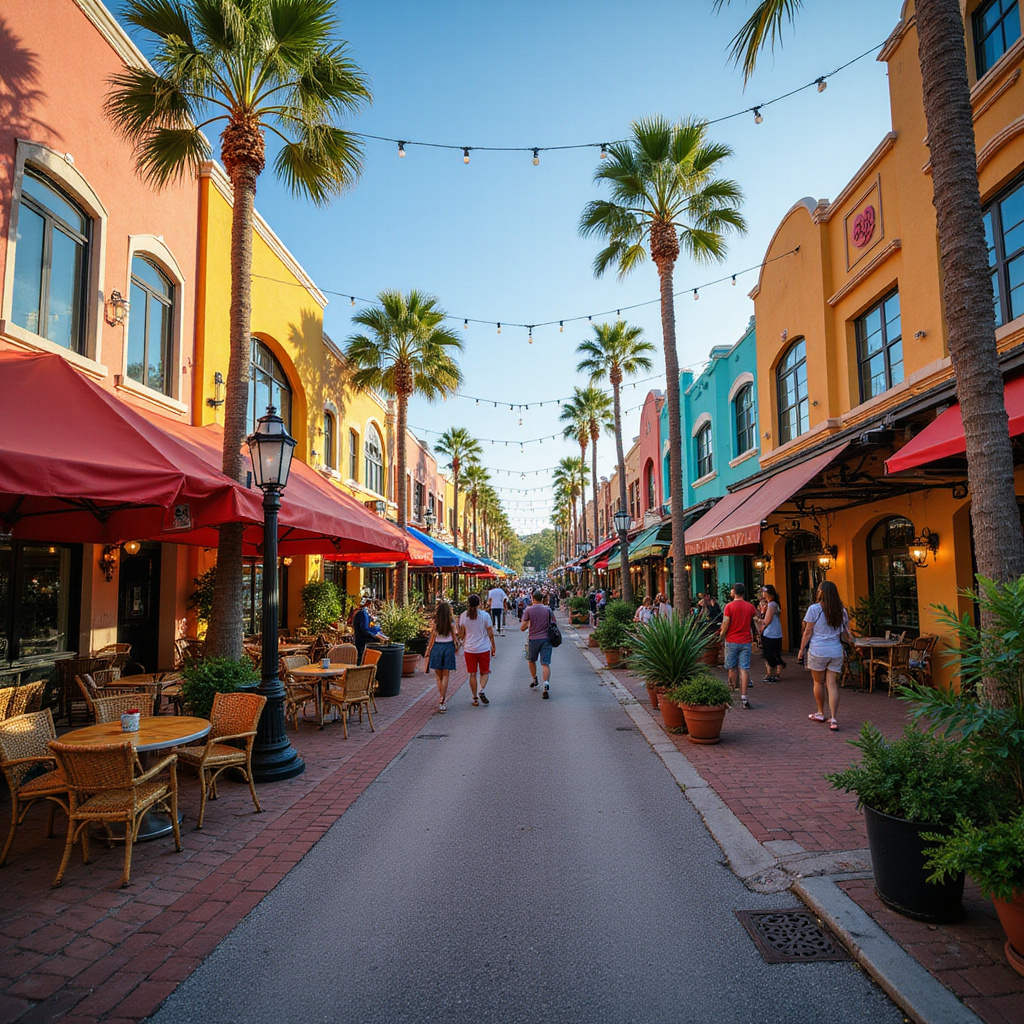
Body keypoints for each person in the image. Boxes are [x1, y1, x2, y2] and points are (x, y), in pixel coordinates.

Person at [798, 579, 851, 732]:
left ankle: (821, 712)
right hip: (835, 650)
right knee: (832, 684)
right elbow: (846, 633)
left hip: (818, 650)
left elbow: (808, 631)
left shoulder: (814, 609)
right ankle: (833, 718)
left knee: (818, 682)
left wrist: (802, 649)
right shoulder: (841, 610)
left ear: (821, 592)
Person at [719, 582, 759, 710]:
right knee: (744, 668)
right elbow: (757, 620)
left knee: (732, 668)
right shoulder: (750, 607)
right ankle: (744, 697)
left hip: (732, 640)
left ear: (734, 592)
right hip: (746, 641)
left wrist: (721, 636)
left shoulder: (729, 607)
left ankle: (732, 693)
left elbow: (725, 624)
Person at [458, 593, 496, 705]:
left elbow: (461, 633)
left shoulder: (464, 616)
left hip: (469, 649)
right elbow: (490, 632)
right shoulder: (485, 615)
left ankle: (475, 697)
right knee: (485, 672)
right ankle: (481, 690)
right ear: (479, 603)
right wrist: (493, 646)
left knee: (472, 674)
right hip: (483, 648)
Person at [423, 602, 457, 713]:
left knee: (438, 675)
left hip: (437, 647)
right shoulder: (451, 622)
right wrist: (456, 646)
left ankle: (441, 697)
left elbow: (432, 638)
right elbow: (455, 637)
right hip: (448, 647)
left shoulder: (435, 622)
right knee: (446, 674)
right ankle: (442, 699)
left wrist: (428, 651)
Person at [520, 589, 555, 699]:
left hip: (533, 639)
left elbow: (522, 627)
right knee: (545, 663)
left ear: (533, 598)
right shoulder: (548, 610)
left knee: (531, 660)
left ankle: (535, 679)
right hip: (546, 639)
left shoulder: (528, 610)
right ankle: (546, 684)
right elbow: (553, 623)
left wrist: (529, 624)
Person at [758, 584, 785, 683]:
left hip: (770, 633)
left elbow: (767, 620)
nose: (764, 594)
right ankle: (771, 673)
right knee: (772, 653)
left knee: (769, 654)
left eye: (765, 593)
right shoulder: (774, 605)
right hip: (776, 632)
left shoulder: (771, 605)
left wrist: (760, 623)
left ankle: (772, 674)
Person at [352, 596, 387, 663]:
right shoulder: (363, 613)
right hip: (364, 641)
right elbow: (365, 628)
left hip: (361, 640)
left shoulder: (362, 613)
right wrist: (375, 635)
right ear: (369, 604)